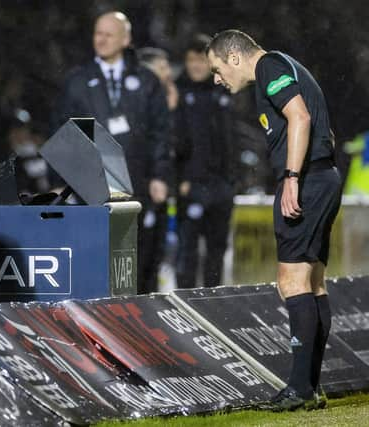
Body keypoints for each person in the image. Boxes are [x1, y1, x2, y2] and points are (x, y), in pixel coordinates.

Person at [206, 30, 341, 411]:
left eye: (217, 69)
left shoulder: (268, 66)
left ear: (234, 58)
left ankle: (299, 390)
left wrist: (293, 178)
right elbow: (324, 127)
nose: (218, 79)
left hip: (307, 179)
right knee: (313, 282)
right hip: (323, 176)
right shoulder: (287, 66)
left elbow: (299, 116)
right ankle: (309, 387)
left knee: (291, 280)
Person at [54, 11, 171, 294]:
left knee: (137, 258)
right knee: (94, 257)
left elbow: (161, 132)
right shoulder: (77, 81)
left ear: (126, 38)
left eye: (109, 34)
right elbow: (63, 132)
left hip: (137, 182)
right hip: (91, 187)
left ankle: (138, 319)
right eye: (98, 33)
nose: (101, 39)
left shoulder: (146, 81)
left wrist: (160, 175)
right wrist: (61, 179)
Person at [173, 34, 235, 289]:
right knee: (187, 251)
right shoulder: (176, 93)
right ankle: (186, 305)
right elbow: (172, 142)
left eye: (201, 60)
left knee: (216, 250)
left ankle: (213, 302)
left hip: (221, 186)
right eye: (191, 60)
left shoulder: (225, 92)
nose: (196, 65)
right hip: (191, 186)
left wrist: (233, 180)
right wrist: (180, 181)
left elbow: (233, 140)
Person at [137, 47, 179, 111]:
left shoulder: (169, 91)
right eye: (162, 68)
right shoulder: (135, 96)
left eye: (168, 67)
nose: (169, 72)